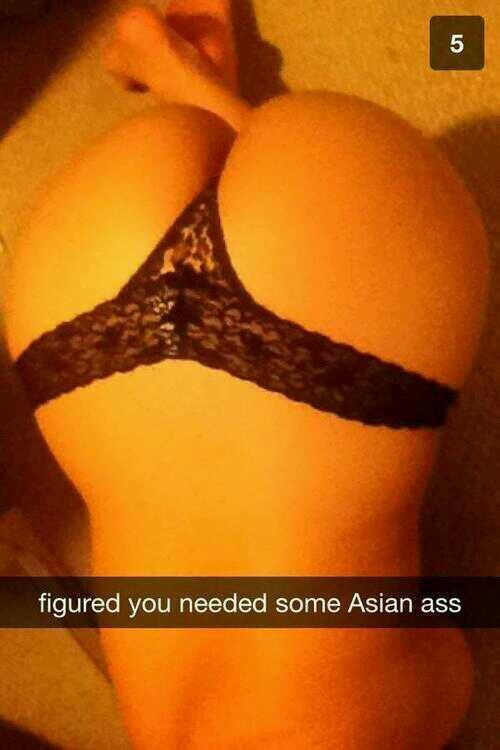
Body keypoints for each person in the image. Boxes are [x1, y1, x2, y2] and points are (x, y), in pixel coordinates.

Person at [4, 2, 489, 748]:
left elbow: (441, 652)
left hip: (326, 255)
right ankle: (188, 90)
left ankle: (215, 110)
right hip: (80, 282)